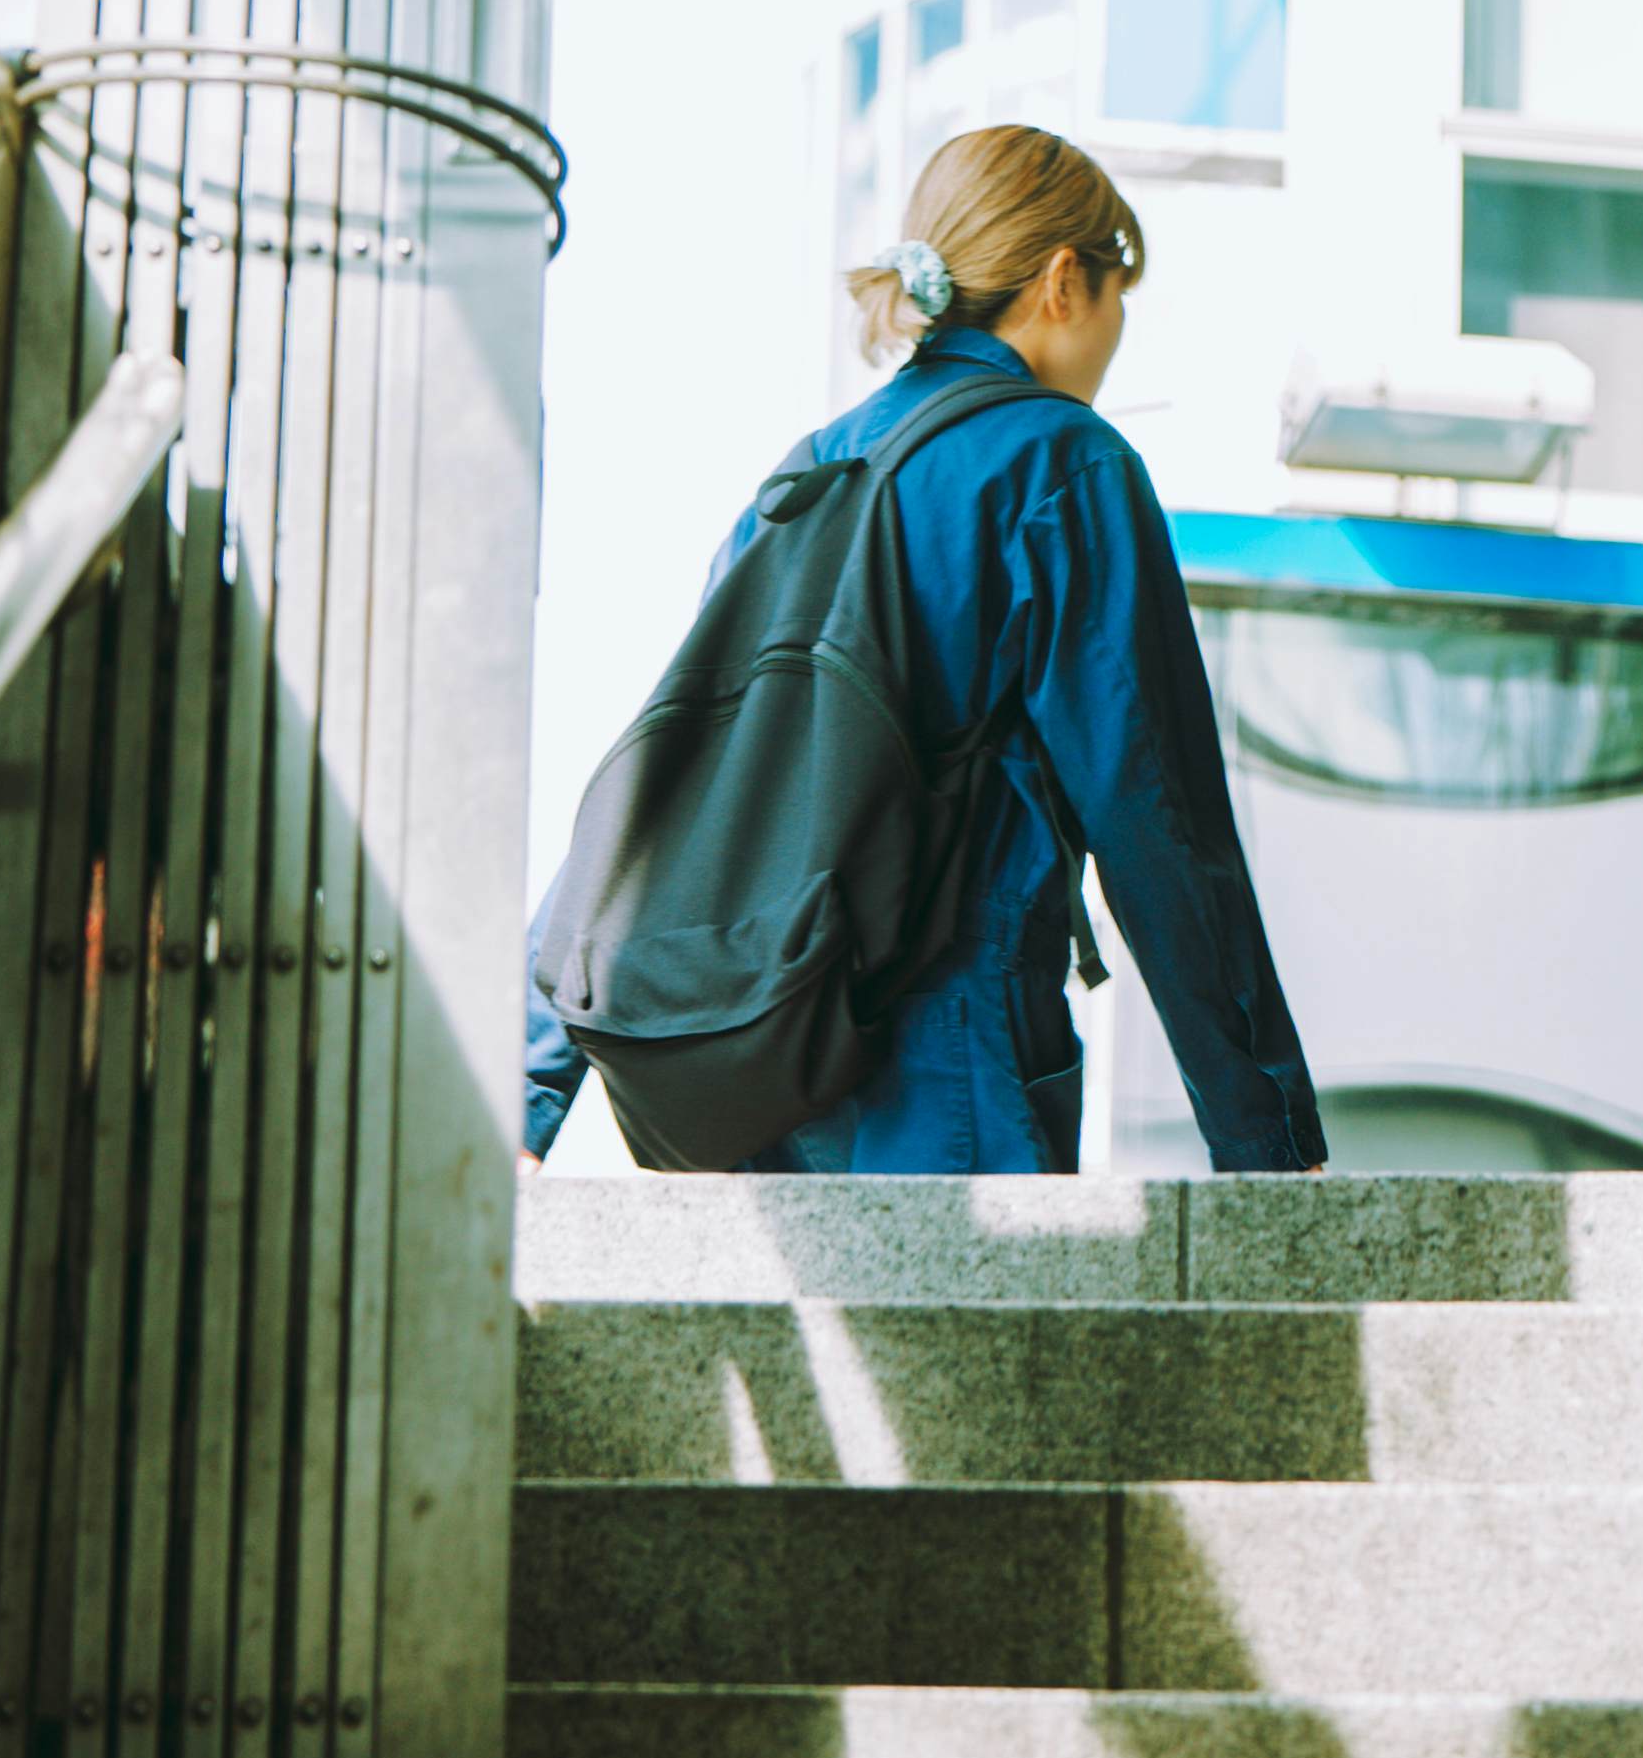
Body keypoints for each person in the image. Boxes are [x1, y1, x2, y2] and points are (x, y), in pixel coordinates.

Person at [525, 120, 1326, 1174]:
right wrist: (1265, 1138)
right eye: (1122, 291)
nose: (1120, 325)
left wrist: (535, 1088)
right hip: (955, 1072)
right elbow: (1157, 820)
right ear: (1063, 281)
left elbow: (678, 774)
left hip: (769, 1063)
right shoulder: (1061, 462)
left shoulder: (811, 471)